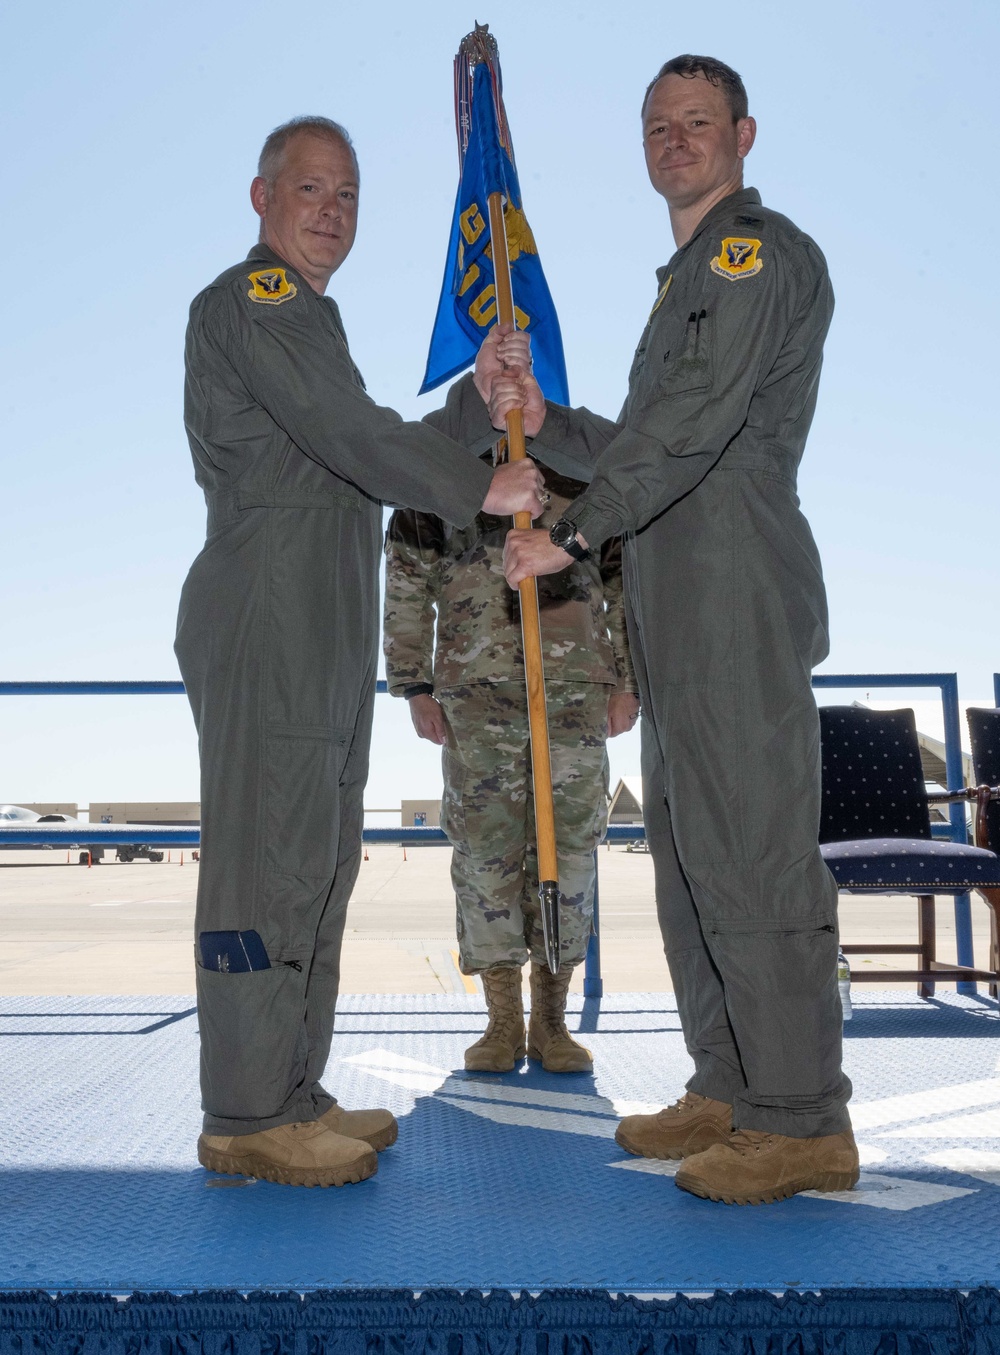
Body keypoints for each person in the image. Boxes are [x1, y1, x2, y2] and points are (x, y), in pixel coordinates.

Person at [487, 56, 858, 1205]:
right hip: (678, 601)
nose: (675, 140)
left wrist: (570, 525)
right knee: (695, 863)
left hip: (734, 591)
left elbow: (694, 427)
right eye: (657, 125)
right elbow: (651, 430)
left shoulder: (751, 254)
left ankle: (800, 1117)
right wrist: (553, 426)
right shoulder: (683, 278)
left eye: (697, 122)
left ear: (744, 134)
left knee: (751, 853)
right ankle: (729, 1087)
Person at [175, 116, 544, 1188]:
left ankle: (290, 1087)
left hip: (321, 613)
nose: (331, 208)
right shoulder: (258, 301)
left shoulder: (312, 325)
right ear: (261, 198)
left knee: (317, 861)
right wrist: (481, 484)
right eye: (310, 188)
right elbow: (352, 441)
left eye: (347, 194)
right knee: (265, 862)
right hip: (268, 611)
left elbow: (359, 436)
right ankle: (245, 1110)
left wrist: (470, 405)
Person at [383, 454, 640, 1074]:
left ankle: (552, 1021)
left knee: (571, 848)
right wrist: (414, 685)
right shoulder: (438, 479)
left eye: (522, 364)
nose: (512, 381)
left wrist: (629, 680)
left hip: (574, 686)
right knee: (484, 850)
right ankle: (501, 1022)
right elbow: (407, 582)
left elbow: (624, 584)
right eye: (498, 363)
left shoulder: (585, 483)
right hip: (477, 687)